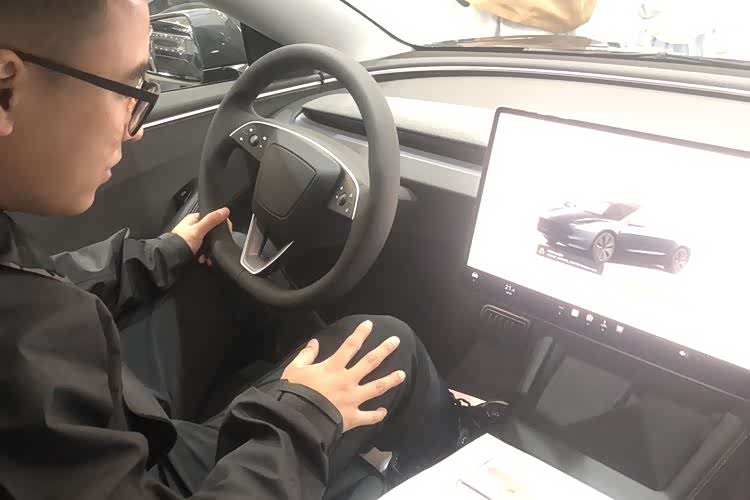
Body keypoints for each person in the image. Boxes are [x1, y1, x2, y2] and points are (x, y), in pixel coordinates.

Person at [0, 1, 491, 498]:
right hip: (144, 474)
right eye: (127, 91)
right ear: (5, 88)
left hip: (109, 432)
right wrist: (305, 414)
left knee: (214, 271)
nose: (137, 127)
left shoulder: (28, 305)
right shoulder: (26, 343)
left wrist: (163, 253)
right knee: (387, 344)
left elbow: (50, 277)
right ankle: (459, 452)